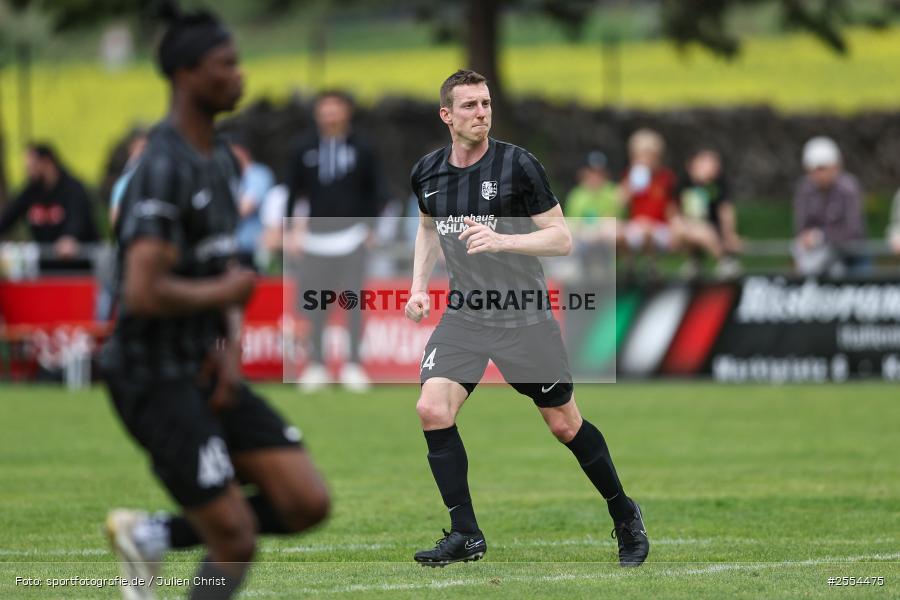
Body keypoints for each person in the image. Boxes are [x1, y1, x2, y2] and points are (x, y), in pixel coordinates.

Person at [99, 8, 329, 600]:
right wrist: (228, 294)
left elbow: (228, 266)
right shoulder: (161, 167)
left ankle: (149, 535)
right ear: (186, 75)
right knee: (234, 538)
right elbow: (143, 292)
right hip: (153, 375)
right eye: (225, 65)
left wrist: (228, 348)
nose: (240, 76)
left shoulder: (222, 160)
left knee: (305, 501)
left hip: (205, 364)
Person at [406, 69, 649, 568]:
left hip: (524, 319)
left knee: (564, 424)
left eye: (486, 104)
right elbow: (429, 229)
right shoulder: (427, 172)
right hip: (465, 316)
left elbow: (562, 238)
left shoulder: (518, 165)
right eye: (470, 105)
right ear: (446, 116)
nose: (481, 113)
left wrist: (505, 239)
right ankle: (466, 534)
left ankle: (624, 514)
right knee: (432, 409)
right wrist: (417, 289)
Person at [284, 90, 389, 392]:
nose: (330, 115)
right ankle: (316, 365)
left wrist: (371, 229)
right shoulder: (303, 147)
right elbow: (292, 192)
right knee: (316, 303)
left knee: (353, 302)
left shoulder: (364, 147)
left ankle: (353, 365)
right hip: (316, 239)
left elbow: (378, 190)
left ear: (347, 112)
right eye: (324, 110)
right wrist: (291, 231)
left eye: (335, 109)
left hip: (353, 236)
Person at [0, 143, 99, 259]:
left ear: (46, 162)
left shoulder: (73, 189)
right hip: (46, 264)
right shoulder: (32, 191)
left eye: (32, 166)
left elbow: (78, 219)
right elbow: (10, 215)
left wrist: (69, 236)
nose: (28, 171)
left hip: (78, 266)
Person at [792, 136, 866, 277]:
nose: (818, 174)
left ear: (836, 167)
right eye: (813, 170)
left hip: (851, 259)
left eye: (822, 169)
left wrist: (820, 237)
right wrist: (808, 239)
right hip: (816, 259)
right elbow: (800, 228)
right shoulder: (804, 190)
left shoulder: (848, 188)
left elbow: (853, 230)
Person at [677, 149, 743, 278]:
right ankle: (708, 261)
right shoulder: (685, 183)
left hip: (713, 228)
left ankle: (721, 261)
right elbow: (680, 209)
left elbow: (726, 211)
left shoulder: (719, 184)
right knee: (695, 230)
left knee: (704, 231)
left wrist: (730, 234)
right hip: (691, 228)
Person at [620, 129, 680, 257]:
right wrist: (630, 185)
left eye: (648, 155)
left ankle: (650, 266)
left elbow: (671, 209)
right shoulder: (630, 176)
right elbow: (621, 203)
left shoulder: (666, 178)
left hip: (660, 229)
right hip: (636, 226)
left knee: (647, 233)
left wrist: (675, 227)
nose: (645, 159)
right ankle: (628, 267)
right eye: (639, 155)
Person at [564, 150, 621, 279]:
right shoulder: (577, 195)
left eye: (599, 172)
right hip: (584, 239)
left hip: (606, 240)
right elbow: (572, 224)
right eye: (591, 172)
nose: (595, 176)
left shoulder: (613, 192)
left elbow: (617, 220)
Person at [231, 142, 274, 268]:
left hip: (254, 247)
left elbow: (245, 208)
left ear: (243, 151)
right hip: (234, 248)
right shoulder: (231, 175)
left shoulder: (258, 174)